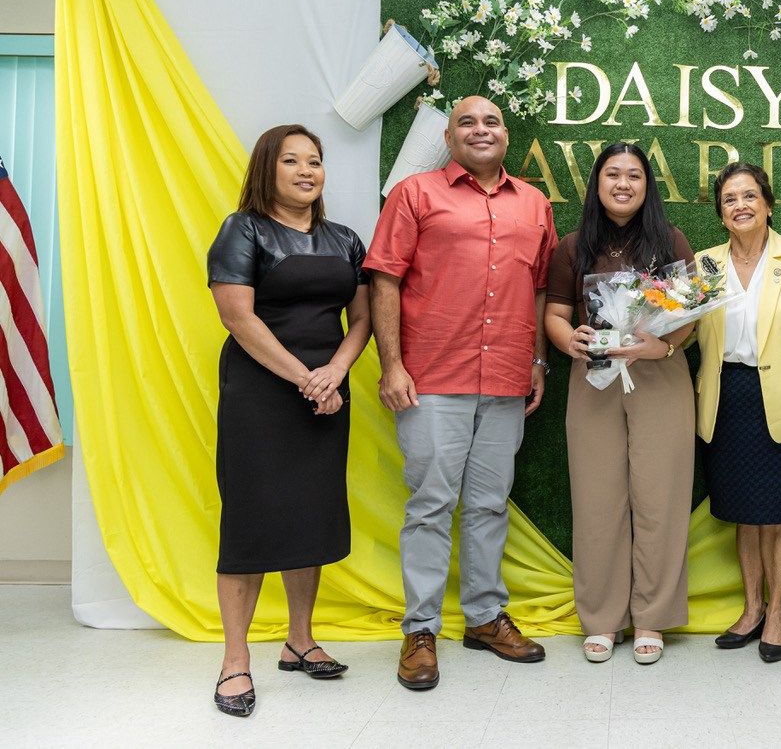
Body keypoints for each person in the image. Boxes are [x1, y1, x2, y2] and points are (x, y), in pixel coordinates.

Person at [365, 95, 557, 691]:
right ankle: (420, 629)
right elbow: (384, 279)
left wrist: (537, 361)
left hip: (504, 381)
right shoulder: (415, 195)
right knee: (429, 506)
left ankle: (482, 618)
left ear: (506, 135)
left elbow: (542, 287)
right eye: (467, 121)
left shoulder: (534, 203)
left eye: (491, 121)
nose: (481, 129)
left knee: (489, 505)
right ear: (449, 137)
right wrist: (391, 365)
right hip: (430, 381)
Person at [206, 124, 372, 717]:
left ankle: (299, 643)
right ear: (266, 170)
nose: (307, 171)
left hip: (327, 391)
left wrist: (333, 374)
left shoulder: (346, 239)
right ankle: (234, 662)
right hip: (262, 393)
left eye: (316, 161)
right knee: (251, 521)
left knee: (311, 516)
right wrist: (305, 378)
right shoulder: (241, 229)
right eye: (292, 161)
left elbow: (362, 321)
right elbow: (239, 320)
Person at [544, 143, 696, 665]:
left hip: (660, 374)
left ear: (647, 185)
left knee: (661, 498)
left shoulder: (670, 240)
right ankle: (603, 620)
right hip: (595, 377)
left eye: (634, 175)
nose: (624, 183)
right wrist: (569, 342)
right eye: (613, 174)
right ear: (597, 182)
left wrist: (666, 345)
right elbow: (556, 313)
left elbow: (690, 314)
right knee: (597, 500)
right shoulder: (571, 246)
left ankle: (652, 618)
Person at [693, 163, 781, 663]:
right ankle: (751, 609)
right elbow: (685, 331)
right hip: (725, 400)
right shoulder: (705, 264)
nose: (741, 205)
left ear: (768, 203)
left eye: (749, 195)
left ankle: (778, 613)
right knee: (743, 517)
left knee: (778, 517)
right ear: (721, 213)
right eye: (730, 199)